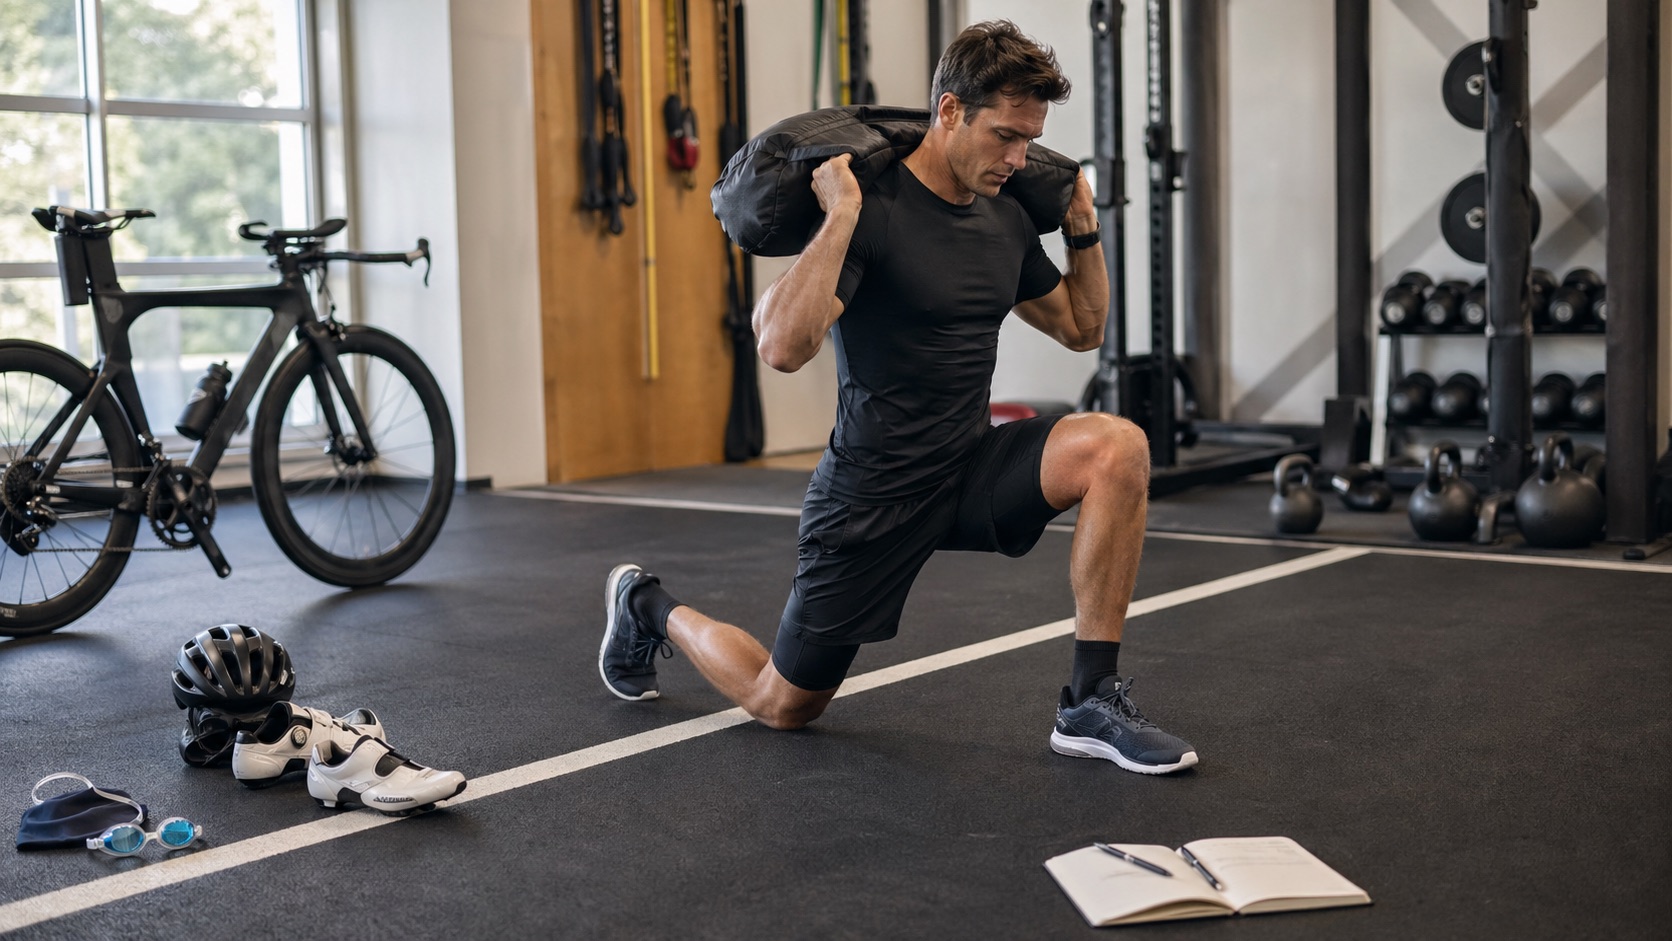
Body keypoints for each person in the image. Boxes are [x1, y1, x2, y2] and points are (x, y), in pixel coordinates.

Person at [600, 20, 1196, 775]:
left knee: (1119, 446)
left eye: (1030, 140)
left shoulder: (1006, 214)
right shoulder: (873, 210)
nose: (1018, 159)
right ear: (949, 112)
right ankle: (647, 606)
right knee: (783, 702)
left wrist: (1084, 232)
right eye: (1005, 136)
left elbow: (1082, 328)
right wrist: (840, 217)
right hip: (871, 491)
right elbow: (781, 347)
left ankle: (1089, 699)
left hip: (968, 465)